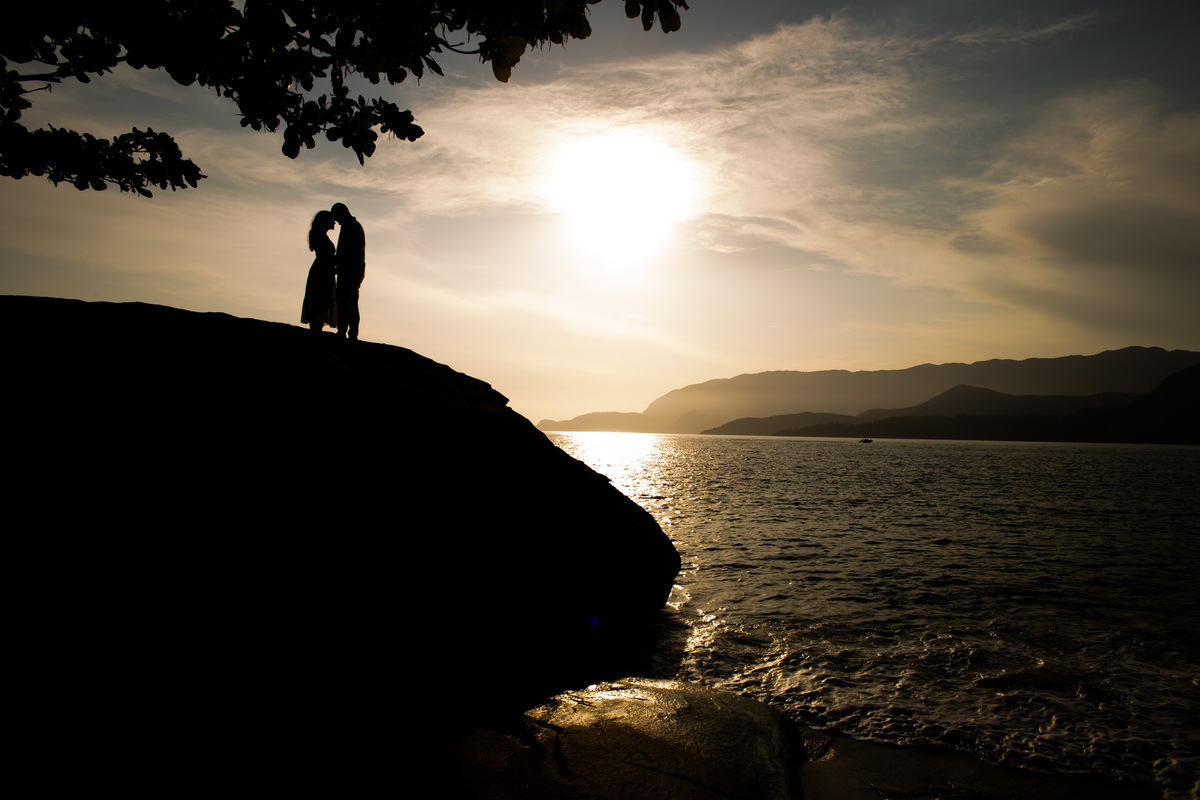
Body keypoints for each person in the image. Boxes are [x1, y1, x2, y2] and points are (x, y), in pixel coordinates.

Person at [331, 202, 366, 340]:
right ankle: (352, 333)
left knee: (343, 299)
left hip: (350, 269)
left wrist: (335, 262)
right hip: (355, 268)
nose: (335, 221)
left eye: (336, 217)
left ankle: (343, 331)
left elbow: (347, 249)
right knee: (351, 301)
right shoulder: (353, 225)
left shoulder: (350, 226)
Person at [301, 210, 337, 332]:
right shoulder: (321, 237)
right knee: (320, 301)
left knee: (321, 302)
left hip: (323, 270)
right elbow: (326, 257)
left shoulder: (321, 235)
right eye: (332, 220)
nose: (335, 222)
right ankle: (316, 332)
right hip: (322, 272)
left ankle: (316, 330)